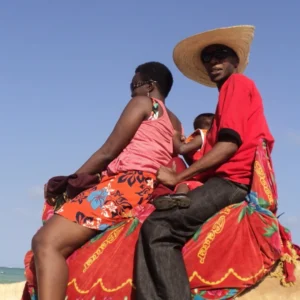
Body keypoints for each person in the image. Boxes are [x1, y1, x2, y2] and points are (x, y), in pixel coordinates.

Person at [134, 25, 275, 300]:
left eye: (220, 55)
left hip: (231, 180)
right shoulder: (227, 95)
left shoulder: (236, 84)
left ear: (235, 61)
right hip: (222, 179)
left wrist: (176, 178)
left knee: (159, 228)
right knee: (152, 222)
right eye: (207, 58)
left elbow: (228, 145)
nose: (213, 62)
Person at [31, 61, 183, 300]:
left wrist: (71, 182)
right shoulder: (174, 121)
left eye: (134, 85)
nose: (131, 91)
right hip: (147, 186)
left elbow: (108, 150)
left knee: (45, 242)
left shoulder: (143, 103)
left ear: (150, 86)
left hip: (126, 184)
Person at [153, 113, 214, 210]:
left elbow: (182, 149)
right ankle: (179, 196)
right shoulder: (207, 138)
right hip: (204, 178)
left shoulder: (204, 137)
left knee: (180, 173)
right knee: (185, 181)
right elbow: (186, 154)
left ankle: (172, 196)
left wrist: (175, 138)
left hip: (200, 177)